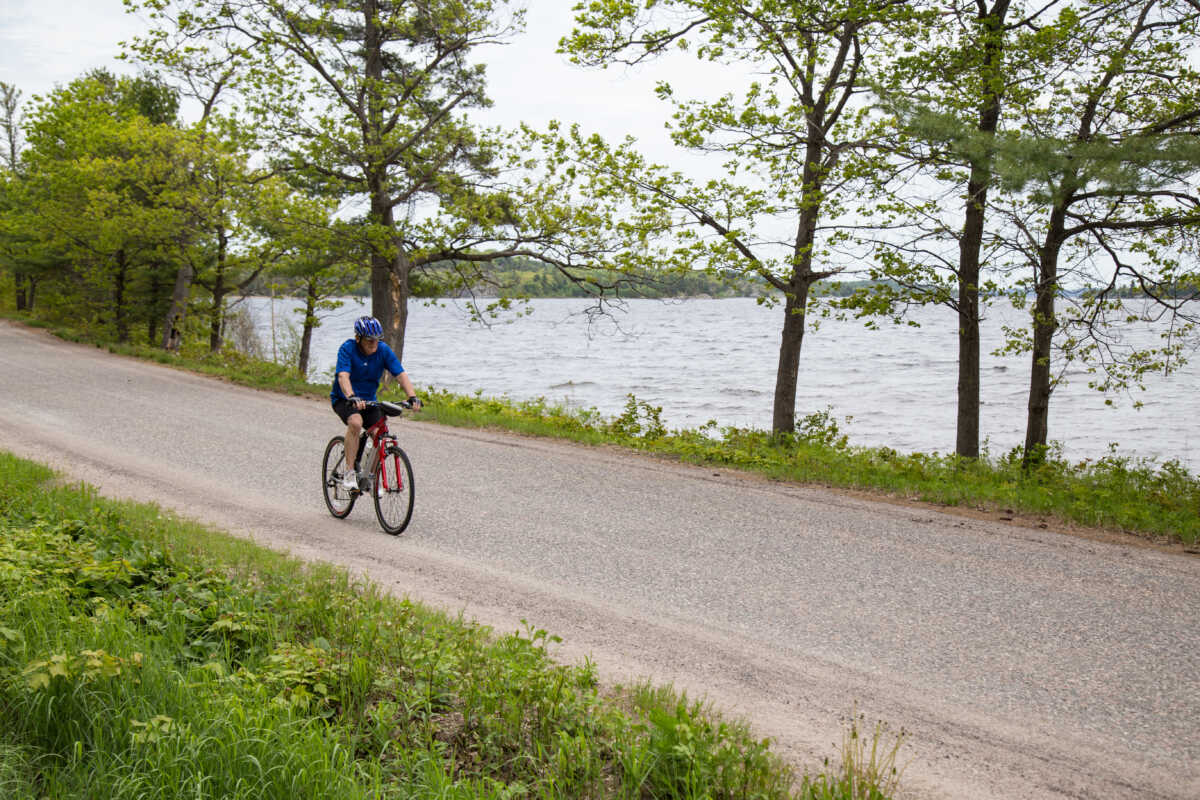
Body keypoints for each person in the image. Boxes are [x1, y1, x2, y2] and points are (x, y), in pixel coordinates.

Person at [330, 315, 421, 490]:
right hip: (345, 400)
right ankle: (349, 472)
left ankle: (369, 476)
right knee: (356, 423)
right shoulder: (347, 349)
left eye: (377, 340)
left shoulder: (383, 350)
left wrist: (412, 396)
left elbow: (400, 374)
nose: (374, 344)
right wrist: (351, 396)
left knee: (380, 434)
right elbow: (343, 376)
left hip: (370, 402)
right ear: (358, 338)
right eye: (369, 340)